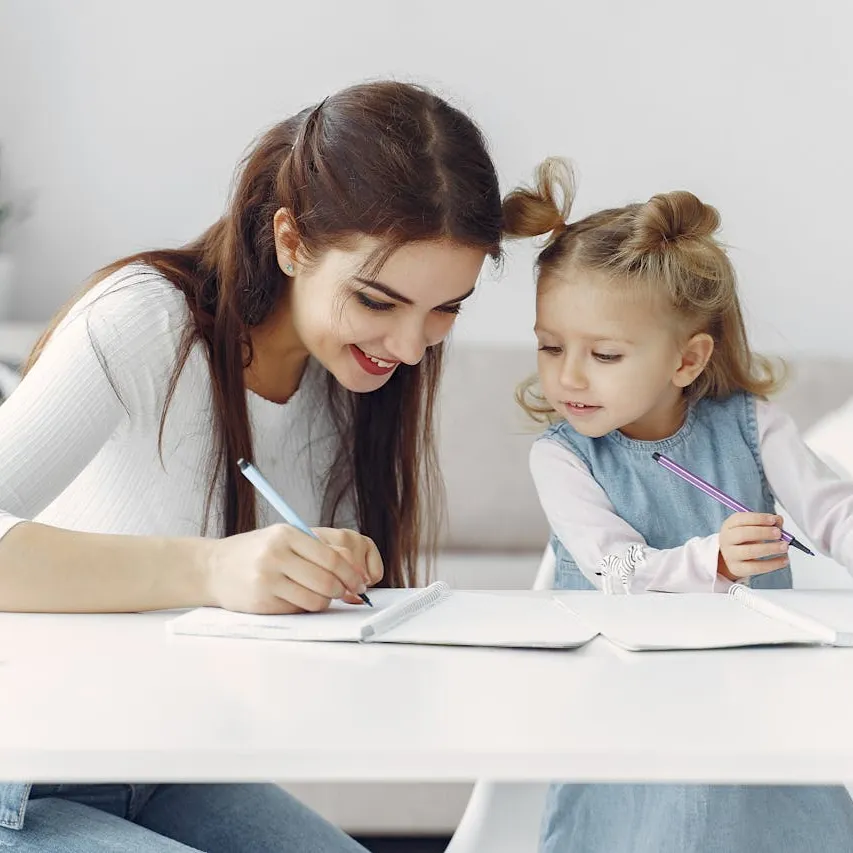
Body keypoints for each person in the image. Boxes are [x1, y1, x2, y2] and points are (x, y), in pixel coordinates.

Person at [0, 80, 503, 852]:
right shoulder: (143, 320)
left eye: (445, 308)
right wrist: (213, 569)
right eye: (377, 301)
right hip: (24, 777)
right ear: (292, 241)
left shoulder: (349, 381)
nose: (408, 346)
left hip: (170, 767)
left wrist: (322, 577)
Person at [503, 157, 853, 852]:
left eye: (602, 353)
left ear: (686, 360)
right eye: (549, 347)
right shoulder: (563, 457)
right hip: (624, 701)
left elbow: (832, 515)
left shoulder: (753, 427)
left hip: (751, 697)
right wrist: (713, 559)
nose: (567, 375)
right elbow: (616, 570)